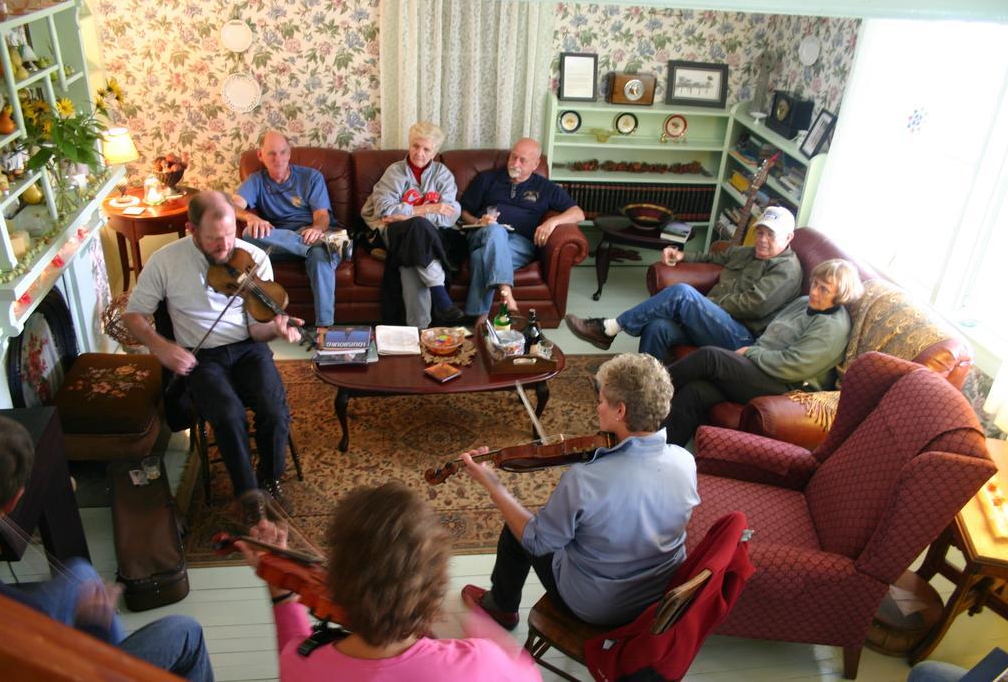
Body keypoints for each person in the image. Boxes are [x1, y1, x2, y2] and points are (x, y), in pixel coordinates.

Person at [460, 353, 700, 628]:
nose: (597, 408)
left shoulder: (584, 480)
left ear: (620, 411)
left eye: (601, 401)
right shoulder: (685, 461)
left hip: (599, 606)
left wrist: (494, 486)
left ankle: (501, 607)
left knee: (517, 530)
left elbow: (538, 541)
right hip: (658, 599)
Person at [236, 482, 541, 681]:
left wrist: (281, 595)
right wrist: (486, 634)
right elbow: (529, 675)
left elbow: (295, 655)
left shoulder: (301, 666)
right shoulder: (479, 664)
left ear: (339, 578)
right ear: (434, 582)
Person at [0, 415, 212, 681]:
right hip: (82, 669)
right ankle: (115, 654)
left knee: (81, 574)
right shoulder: (16, 615)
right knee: (187, 633)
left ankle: (114, 648)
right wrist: (94, 627)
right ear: (14, 501)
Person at [124, 190, 303, 519]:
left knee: (274, 408)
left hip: (247, 348)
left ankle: (271, 478)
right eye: (213, 239)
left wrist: (275, 329)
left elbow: (256, 330)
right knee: (227, 414)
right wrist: (160, 346)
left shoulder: (253, 259)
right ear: (191, 229)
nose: (225, 247)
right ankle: (248, 496)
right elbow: (133, 315)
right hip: (201, 355)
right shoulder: (165, 261)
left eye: (230, 234)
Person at [662, 258, 864, 446]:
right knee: (697, 391)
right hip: (765, 368)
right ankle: (658, 448)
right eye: (815, 283)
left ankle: (649, 388)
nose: (814, 292)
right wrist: (754, 351)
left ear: (840, 296)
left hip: (788, 386)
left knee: (710, 358)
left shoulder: (832, 327)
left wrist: (751, 352)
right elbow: (770, 334)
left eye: (824, 289)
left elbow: (792, 366)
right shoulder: (804, 303)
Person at [566, 205, 803, 361]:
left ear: (788, 237)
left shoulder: (786, 270)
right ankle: (643, 390)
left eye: (770, 235)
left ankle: (609, 328)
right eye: (760, 233)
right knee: (656, 327)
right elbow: (717, 256)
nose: (762, 240)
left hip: (741, 337)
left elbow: (753, 305)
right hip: (715, 322)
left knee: (683, 294)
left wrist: (704, 305)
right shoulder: (750, 253)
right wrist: (683, 256)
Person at [459, 137, 584, 321]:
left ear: (536, 164)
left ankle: (480, 320)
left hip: (521, 244)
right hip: (482, 234)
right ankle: (506, 293)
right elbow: (463, 211)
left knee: (481, 256)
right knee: (495, 230)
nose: (515, 163)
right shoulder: (487, 179)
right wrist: (479, 222)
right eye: (513, 157)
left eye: (522, 160)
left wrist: (553, 222)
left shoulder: (545, 188)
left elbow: (578, 213)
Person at [233, 129, 341, 329]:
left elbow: (322, 217)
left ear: (289, 153)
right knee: (249, 234)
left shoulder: (311, 177)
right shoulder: (256, 181)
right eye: (271, 153)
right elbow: (232, 206)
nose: (278, 159)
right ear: (260, 155)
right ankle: (325, 244)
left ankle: (325, 329)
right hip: (280, 243)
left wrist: (316, 230)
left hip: (311, 235)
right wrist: (250, 217)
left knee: (320, 256)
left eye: (283, 152)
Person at [361, 121, 464, 328]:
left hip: (428, 237)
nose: (419, 153)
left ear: (434, 152)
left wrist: (404, 213)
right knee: (416, 229)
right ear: (409, 145)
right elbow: (385, 211)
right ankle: (440, 297)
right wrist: (429, 209)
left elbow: (450, 216)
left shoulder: (442, 174)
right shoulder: (395, 172)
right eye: (416, 146)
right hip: (393, 233)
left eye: (426, 149)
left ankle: (418, 330)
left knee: (410, 257)